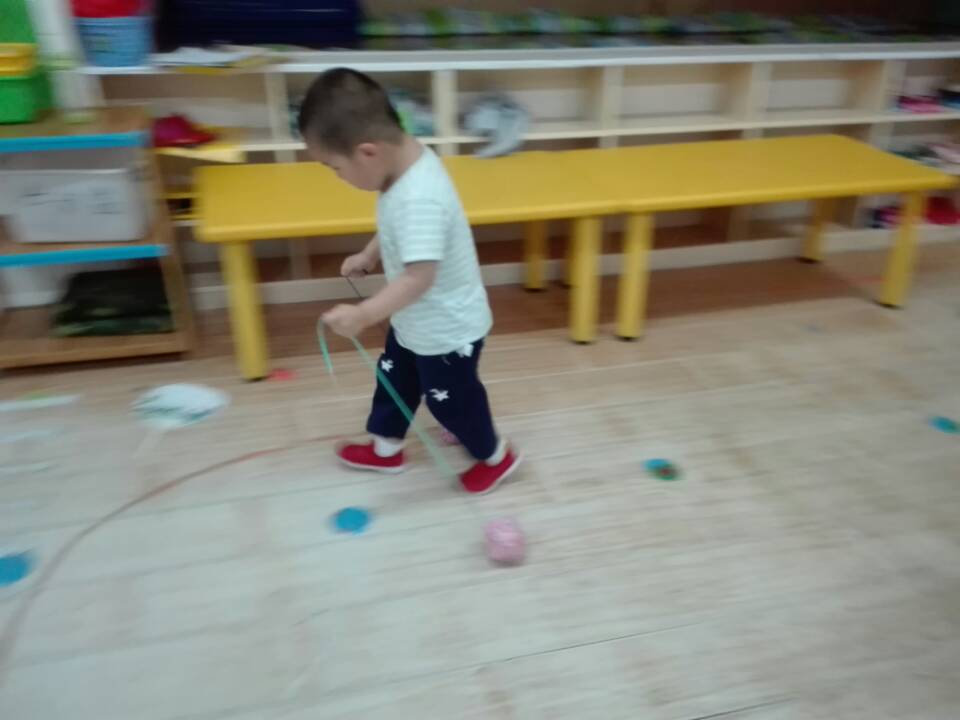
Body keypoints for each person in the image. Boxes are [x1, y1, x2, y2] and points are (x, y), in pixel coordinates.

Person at [298, 68, 520, 494]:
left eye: (334, 167)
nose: (337, 177)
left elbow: (420, 277)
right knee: (394, 381)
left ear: (367, 153)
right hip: (416, 321)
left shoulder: (419, 198)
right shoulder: (404, 164)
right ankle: (386, 449)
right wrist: (370, 254)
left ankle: (496, 457)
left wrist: (364, 314)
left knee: (453, 402)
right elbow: (398, 228)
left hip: (447, 330)